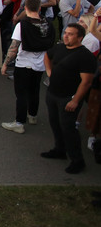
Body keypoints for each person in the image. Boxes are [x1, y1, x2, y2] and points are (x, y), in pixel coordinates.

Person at [41, 23, 97, 174]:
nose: (66, 36)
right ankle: (59, 150)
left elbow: (86, 82)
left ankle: (77, 160)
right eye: (65, 33)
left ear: (80, 38)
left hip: (68, 98)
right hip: (52, 94)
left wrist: (75, 100)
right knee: (55, 124)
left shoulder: (85, 56)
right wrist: (49, 71)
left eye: (71, 34)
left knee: (68, 129)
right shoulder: (60, 48)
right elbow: (47, 55)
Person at [0, 0, 56, 133]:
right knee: (34, 90)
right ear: (39, 8)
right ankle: (33, 115)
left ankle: (19, 122)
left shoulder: (22, 25)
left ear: (25, 8)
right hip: (41, 63)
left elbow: (14, 46)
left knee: (21, 93)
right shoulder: (48, 23)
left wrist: (5, 63)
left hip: (24, 63)